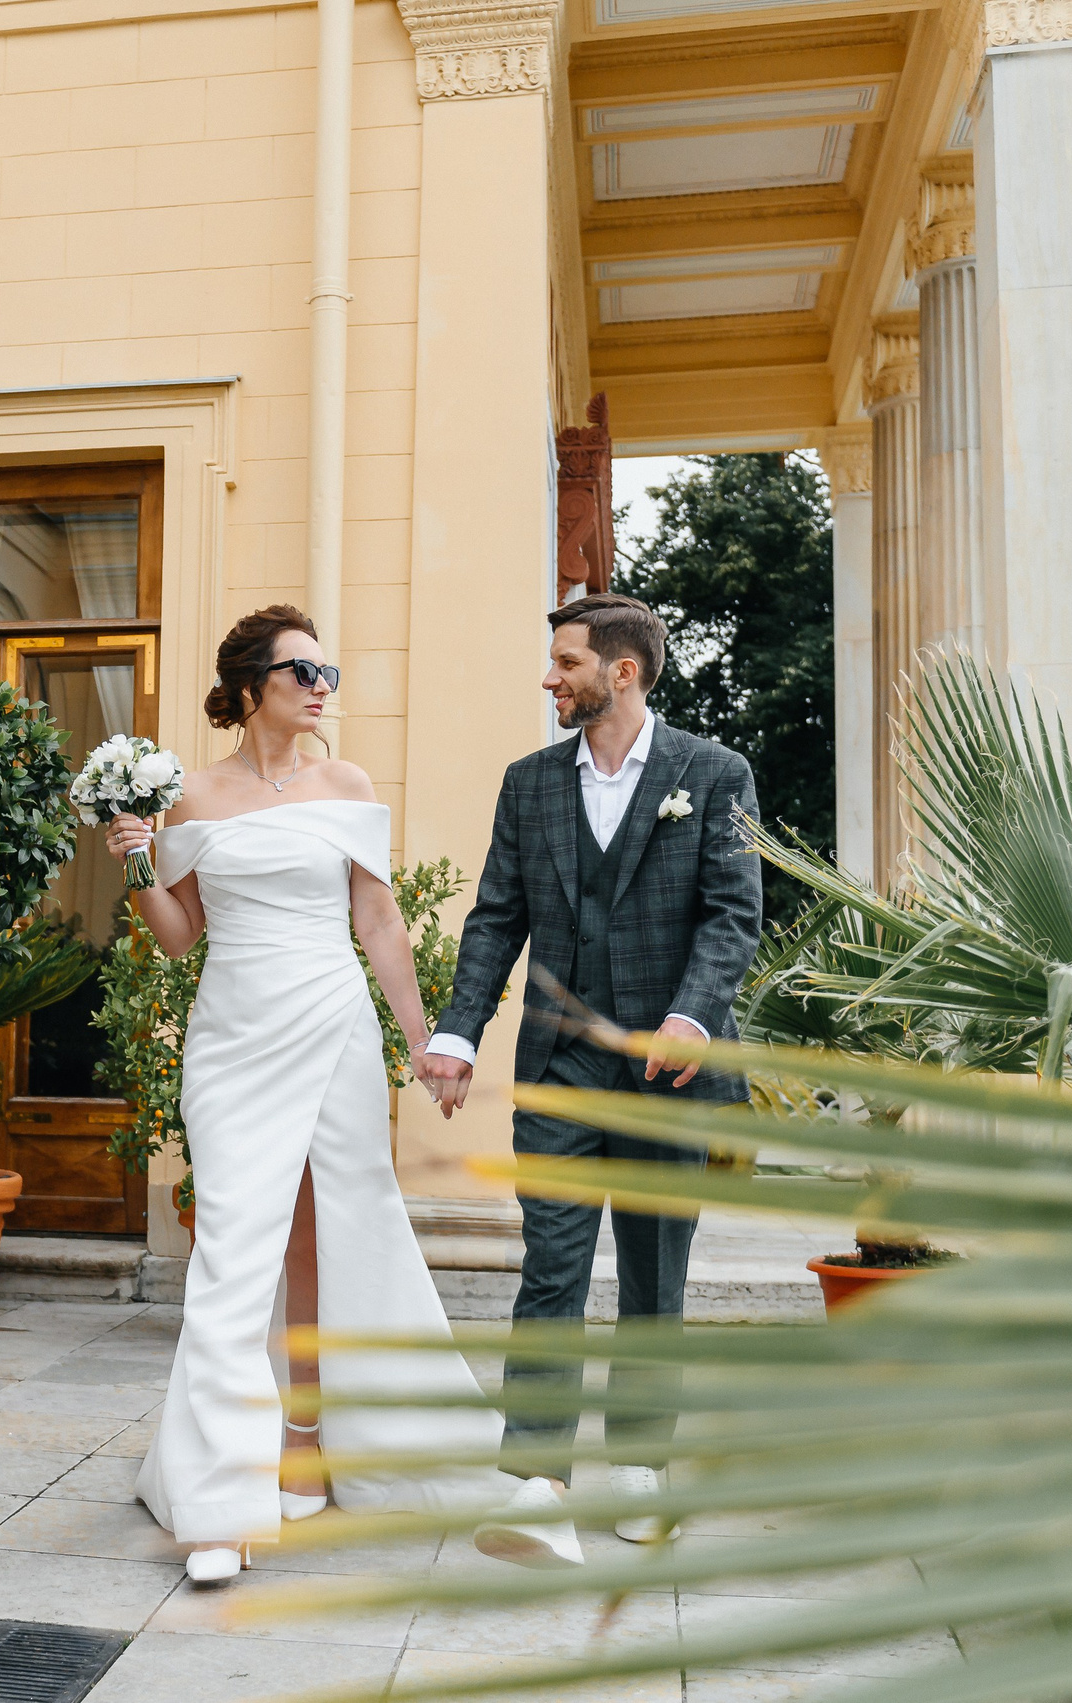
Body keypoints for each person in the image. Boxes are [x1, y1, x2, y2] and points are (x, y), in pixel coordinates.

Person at [105, 605, 512, 1586]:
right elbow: (178, 936)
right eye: (302, 671)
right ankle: (217, 1498)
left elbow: (379, 919)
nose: (322, 686)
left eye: (328, 671)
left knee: (332, 1232)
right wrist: (134, 858)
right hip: (232, 1036)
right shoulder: (191, 795)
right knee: (231, 1245)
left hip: (331, 1024)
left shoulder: (346, 784)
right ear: (251, 686)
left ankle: (306, 1434)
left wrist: (425, 1041)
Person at [417, 592, 763, 1567]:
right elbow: (496, 916)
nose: (549, 677)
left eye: (565, 662)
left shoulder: (715, 773)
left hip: (667, 1069)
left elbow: (732, 913)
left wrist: (692, 1015)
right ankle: (538, 1480)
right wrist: (459, 1030)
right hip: (559, 1066)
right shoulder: (529, 783)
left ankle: (644, 1466)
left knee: (653, 1276)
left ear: (623, 670)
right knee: (552, 1269)